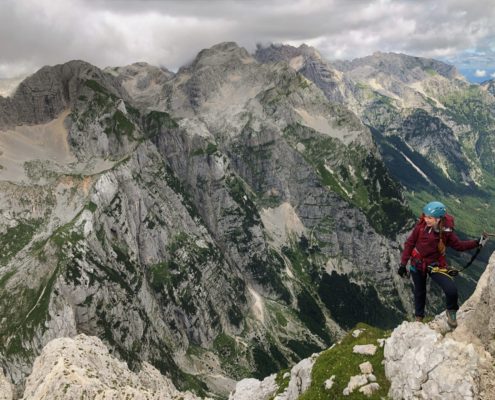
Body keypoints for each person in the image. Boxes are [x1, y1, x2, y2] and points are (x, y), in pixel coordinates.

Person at [397, 201, 488, 327]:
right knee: (419, 292)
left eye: (430, 218)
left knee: (451, 290)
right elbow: (409, 244)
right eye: (425, 216)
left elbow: (459, 246)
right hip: (417, 264)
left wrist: (477, 242)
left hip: (435, 265)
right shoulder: (420, 228)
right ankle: (419, 318)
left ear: (438, 219)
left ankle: (451, 311)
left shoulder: (447, 232)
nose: (426, 219)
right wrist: (403, 264)